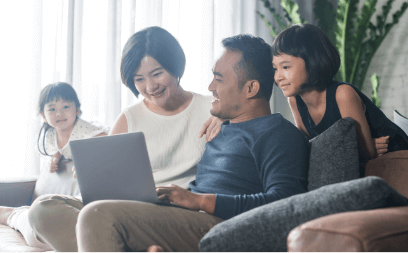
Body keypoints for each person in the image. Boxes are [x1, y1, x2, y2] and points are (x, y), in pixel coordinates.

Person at [74, 34, 310, 252]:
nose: (210, 87)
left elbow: (285, 204)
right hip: (188, 215)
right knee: (55, 209)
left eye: (218, 79)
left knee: (97, 216)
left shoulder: (278, 133)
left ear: (251, 88)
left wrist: (199, 201)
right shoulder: (224, 128)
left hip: (220, 226)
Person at [27, 27, 223, 252]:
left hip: (178, 212)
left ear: (175, 65)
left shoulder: (212, 109)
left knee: (98, 217)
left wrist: (225, 117)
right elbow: (107, 180)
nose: (150, 87)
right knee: (42, 209)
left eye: (157, 73)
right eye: (139, 79)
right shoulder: (129, 118)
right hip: (127, 208)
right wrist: (90, 174)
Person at [272, 24, 408, 169]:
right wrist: (356, 148)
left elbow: (367, 154)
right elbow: (309, 148)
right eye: (275, 68)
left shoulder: (343, 94)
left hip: (394, 150)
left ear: (313, 61)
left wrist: (360, 149)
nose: (278, 76)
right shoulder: (294, 100)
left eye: (285, 67)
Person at [0, 82, 107, 250]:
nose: (59, 113)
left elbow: (104, 140)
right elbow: (60, 149)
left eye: (66, 106)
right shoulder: (50, 135)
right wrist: (55, 157)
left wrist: (87, 160)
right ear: (43, 115)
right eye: (52, 109)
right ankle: (11, 214)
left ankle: (12, 214)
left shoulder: (86, 131)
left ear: (77, 110)